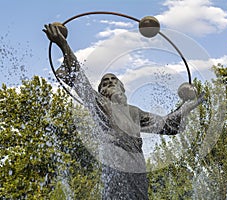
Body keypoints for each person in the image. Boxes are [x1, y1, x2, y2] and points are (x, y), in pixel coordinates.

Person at [43, 23, 204, 200]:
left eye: (114, 80)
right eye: (104, 82)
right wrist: (63, 45)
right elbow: (81, 81)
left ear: (122, 87)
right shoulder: (100, 104)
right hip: (116, 164)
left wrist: (185, 108)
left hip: (137, 168)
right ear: (101, 91)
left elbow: (167, 125)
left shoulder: (134, 112)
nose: (110, 82)